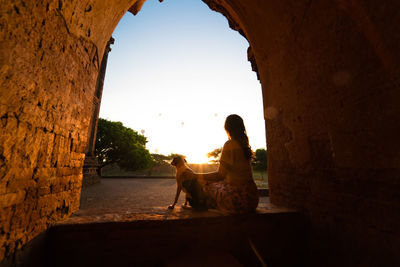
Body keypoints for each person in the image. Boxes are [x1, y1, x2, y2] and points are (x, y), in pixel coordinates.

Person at [194, 114, 259, 214]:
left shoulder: (230, 144)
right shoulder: (243, 145)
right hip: (252, 199)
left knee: (204, 183)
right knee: (219, 185)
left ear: (227, 129)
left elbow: (219, 175)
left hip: (238, 200)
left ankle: (209, 205)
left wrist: (195, 175)